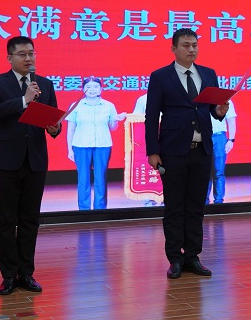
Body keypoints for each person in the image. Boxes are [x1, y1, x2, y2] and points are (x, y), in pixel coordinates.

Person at [145, 28, 229, 279]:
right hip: (172, 151)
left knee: (196, 206)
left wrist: (220, 111)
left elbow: (212, 110)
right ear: (174, 49)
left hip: (202, 150)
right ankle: (175, 258)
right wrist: (152, 151)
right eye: (186, 45)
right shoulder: (161, 76)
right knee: (174, 207)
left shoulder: (208, 74)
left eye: (194, 45)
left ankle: (192, 256)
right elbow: (152, 116)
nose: (192, 49)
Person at [0, 36, 61, 296]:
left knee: (30, 219)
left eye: (32, 53)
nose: (29, 58)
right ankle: (8, 275)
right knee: (6, 220)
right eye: (22, 54)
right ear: (10, 58)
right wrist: (24, 100)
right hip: (5, 161)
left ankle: (26, 273)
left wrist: (55, 128)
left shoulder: (45, 84)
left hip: (35, 160)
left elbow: (52, 117)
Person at [65, 76, 126, 210]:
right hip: (80, 146)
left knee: (101, 178)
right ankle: (84, 210)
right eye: (88, 87)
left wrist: (116, 120)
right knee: (83, 179)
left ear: (101, 89)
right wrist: (69, 149)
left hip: (103, 146)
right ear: (83, 89)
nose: (92, 90)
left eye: (95, 87)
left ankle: (100, 209)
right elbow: (71, 130)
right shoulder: (75, 106)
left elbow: (112, 127)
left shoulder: (109, 106)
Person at [207, 99, 237, 204]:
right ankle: (204, 201)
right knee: (204, 171)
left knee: (218, 171)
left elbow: (231, 120)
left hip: (218, 136)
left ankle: (219, 201)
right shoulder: (201, 98)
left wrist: (231, 140)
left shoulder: (226, 99)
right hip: (203, 137)